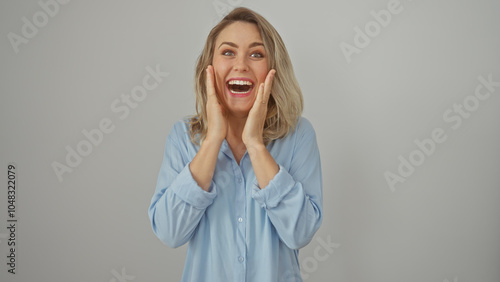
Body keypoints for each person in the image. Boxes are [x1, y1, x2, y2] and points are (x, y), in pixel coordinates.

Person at [148, 7, 323, 282]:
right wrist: (213, 139)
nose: (241, 65)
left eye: (256, 54)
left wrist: (255, 145)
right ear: (209, 68)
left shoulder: (299, 135)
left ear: (272, 70)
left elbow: (300, 233)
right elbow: (170, 232)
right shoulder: (183, 137)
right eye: (228, 52)